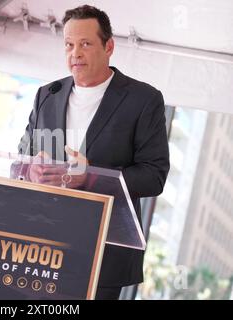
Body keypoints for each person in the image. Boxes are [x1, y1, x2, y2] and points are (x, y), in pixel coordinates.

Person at [16, 5, 170, 300]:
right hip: (40, 245)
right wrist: (30, 170)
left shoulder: (143, 100)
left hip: (102, 254)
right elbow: (23, 157)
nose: (75, 53)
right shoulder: (47, 95)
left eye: (85, 44)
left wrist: (91, 178)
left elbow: (154, 176)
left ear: (108, 46)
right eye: (69, 45)